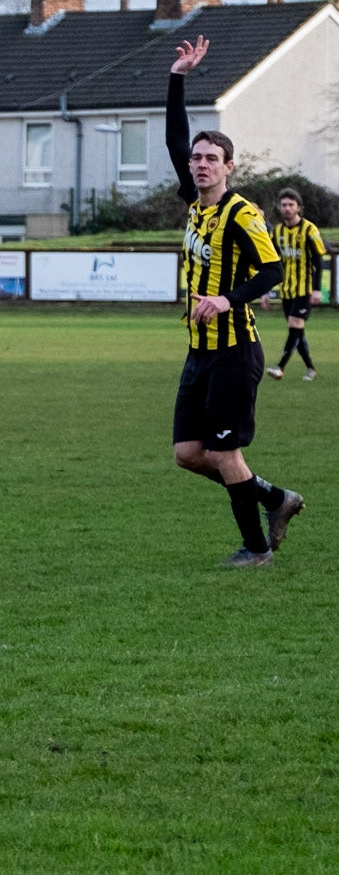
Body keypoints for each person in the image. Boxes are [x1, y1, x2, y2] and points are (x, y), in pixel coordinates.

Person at [167, 36, 304, 567]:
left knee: (224, 452)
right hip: (199, 350)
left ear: (229, 167)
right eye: (197, 158)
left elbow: (273, 269)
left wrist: (228, 299)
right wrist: (177, 79)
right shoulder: (194, 206)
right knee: (188, 454)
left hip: (235, 350)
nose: (200, 165)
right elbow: (174, 138)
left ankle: (255, 548)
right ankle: (275, 497)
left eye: (211, 159)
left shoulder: (242, 215)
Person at [262, 187, 325, 382]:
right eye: (284, 205)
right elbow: (272, 262)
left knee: (294, 325)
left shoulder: (309, 229)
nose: (287, 208)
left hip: (304, 289)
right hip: (287, 290)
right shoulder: (278, 232)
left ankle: (280, 367)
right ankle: (311, 369)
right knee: (297, 331)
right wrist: (265, 291)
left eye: (291, 205)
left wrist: (316, 289)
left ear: (298, 207)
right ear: (280, 208)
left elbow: (318, 260)